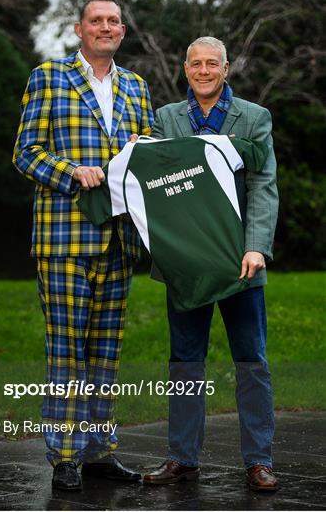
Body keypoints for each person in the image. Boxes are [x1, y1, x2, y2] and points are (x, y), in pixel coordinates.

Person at [13, 0, 153, 491]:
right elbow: (25, 154)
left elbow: (151, 156)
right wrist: (73, 172)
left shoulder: (136, 86)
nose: (106, 27)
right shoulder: (48, 78)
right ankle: (64, 457)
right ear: (79, 29)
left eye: (114, 21)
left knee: (105, 353)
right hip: (65, 239)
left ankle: (98, 453)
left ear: (122, 31)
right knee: (67, 353)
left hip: (118, 241)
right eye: (97, 20)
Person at [142, 37, 279, 491]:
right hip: (187, 265)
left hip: (240, 261)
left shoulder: (254, 118)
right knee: (184, 360)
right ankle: (182, 457)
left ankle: (259, 460)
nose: (204, 71)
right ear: (185, 69)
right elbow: (157, 188)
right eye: (196, 64)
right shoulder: (166, 119)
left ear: (225, 70)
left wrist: (256, 247)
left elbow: (263, 186)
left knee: (251, 361)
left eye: (212, 64)